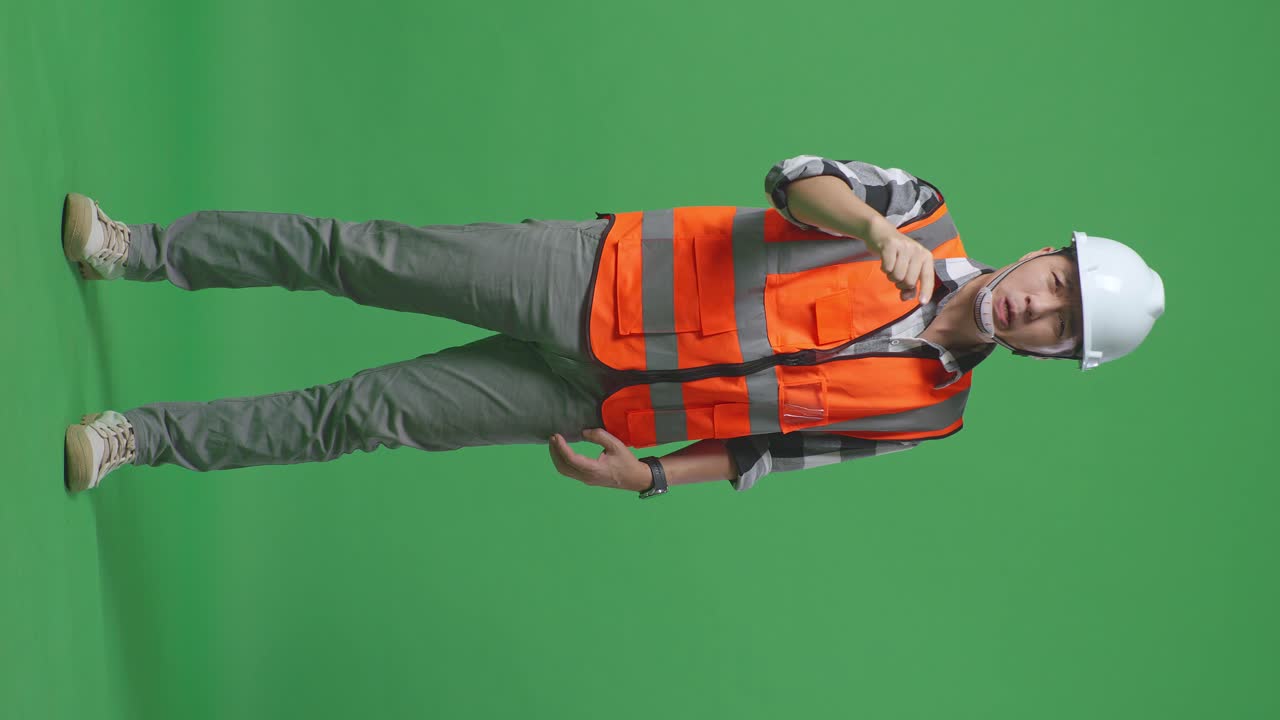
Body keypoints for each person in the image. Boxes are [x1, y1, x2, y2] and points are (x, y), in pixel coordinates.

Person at [61, 155, 1165, 497]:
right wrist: (872, 232)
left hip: (602, 402)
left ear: (1050, 354)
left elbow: (770, 451)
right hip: (591, 278)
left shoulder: (930, 418)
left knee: (362, 416)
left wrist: (647, 480)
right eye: (1055, 281)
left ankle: (138, 439)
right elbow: (794, 178)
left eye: (1059, 324)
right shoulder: (918, 211)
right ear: (1042, 253)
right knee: (361, 256)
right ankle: (136, 248)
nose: (1039, 305)